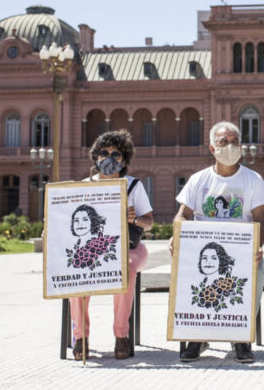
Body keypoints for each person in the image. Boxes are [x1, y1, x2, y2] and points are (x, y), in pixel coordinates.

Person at [173, 121, 264, 363]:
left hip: (240, 256)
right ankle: (196, 335)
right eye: (223, 142)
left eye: (234, 142)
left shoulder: (253, 179)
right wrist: (175, 237)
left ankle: (241, 338)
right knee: (189, 274)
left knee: (255, 274)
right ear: (211, 147)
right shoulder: (198, 180)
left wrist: (257, 249)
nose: (229, 146)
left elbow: (261, 220)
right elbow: (183, 215)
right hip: (203, 255)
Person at [69, 130, 154, 360]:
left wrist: (133, 219)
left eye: (116, 154)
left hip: (130, 249)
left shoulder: (133, 185)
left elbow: (149, 223)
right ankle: (80, 337)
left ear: (124, 159)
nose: (109, 158)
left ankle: (121, 335)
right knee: (75, 270)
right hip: (93, 251)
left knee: (124, 267)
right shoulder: (83, 186)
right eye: (103, 153)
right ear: (95, 158)